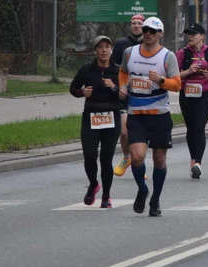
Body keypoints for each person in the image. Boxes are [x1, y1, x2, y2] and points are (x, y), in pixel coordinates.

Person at [118, 17, 181, 217]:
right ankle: (143, 190)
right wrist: (122, 86)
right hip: (136, 114)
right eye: (145, 29)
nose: (147, 33)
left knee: (159, 159)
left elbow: (177, 84)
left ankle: (156, 199)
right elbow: (122, 72)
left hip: (159, 115)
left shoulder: (167, 56)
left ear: (160, 34)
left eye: (152, 31)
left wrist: (161, 80)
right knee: (136, 157)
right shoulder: (130, 52)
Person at [69, 36, 121, 207]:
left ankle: (106, 196)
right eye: (100, 47)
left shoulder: (118, 71)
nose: (104, 50)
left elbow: (125, 95)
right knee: (90, 155)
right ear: (95, 51)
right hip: (91, 116)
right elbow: (73, 88)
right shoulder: (87, 70)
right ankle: (93, 184)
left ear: (111, 50)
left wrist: (113, 87)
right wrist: (82, 93)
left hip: (111, 117)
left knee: (106, 159)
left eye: (107, 47)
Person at [176, 23, 208, 179]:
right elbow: (174, 75)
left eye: (194, 34)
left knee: (199, 126)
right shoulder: (182, 54)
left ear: (202, 36)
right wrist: (188, 71)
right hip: (187, 93)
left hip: (205, 93)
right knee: (190, 128)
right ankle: (193, 158)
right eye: (189, 34)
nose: (190, 36)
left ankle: (198, 163)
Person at [111, 13, 145, 178]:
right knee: (124, 132)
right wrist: (118, 86)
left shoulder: (149, 44)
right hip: (125, 93)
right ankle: (127, 157)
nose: (136, 26)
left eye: (139, 23)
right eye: (134, 23)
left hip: (143, 95)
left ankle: (140, 164)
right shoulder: (121, 44)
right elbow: (114, 67)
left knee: (141, 132)